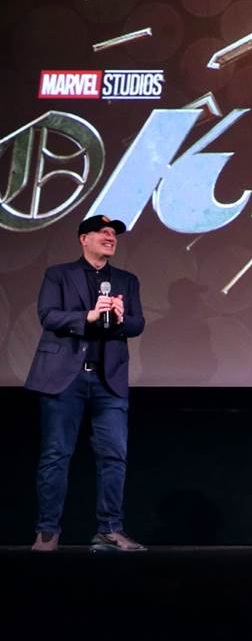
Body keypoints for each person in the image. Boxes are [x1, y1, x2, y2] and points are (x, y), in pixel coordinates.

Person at [25, 214, 146, 552]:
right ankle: (47, 532)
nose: (110, 237)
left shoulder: (126, 280)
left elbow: (138, 323)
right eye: (102, 232)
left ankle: (110, 530)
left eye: (113, 234)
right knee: (56, 454)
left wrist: (120, 318)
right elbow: (48, 315)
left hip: (109, 379)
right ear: (84, 239)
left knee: (114, 455)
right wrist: (88, 316)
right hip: (65, 378)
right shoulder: (59, 275)